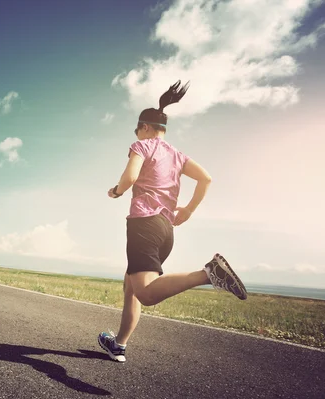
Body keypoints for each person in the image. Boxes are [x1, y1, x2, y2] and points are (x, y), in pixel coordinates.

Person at [97, 80, 248, 363]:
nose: (138, 135)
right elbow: (206, 178)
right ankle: (118, 344)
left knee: (146, 293)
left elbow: (129, 179)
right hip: (167, 229)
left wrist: (116, 191)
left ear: (144, 128)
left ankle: (210, 273)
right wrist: (188, 210)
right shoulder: (177, 155)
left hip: (144, 223)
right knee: (131, 287)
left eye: (138, 131)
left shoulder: (141, 146)